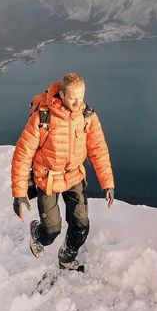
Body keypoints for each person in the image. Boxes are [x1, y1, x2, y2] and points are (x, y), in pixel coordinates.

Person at [11, 72, 115, 270]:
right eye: (73, 98)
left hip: (74, 175)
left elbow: (98, 150)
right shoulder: (43, 117)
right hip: (47, 178)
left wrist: (107, 183)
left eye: (81, 98)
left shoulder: (87, 117)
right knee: (51, 230)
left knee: (81, 225)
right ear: (62, 94)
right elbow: (22, 154)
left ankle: (67, 257)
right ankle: (37, 232)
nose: (78, 103)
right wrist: (19, 193)